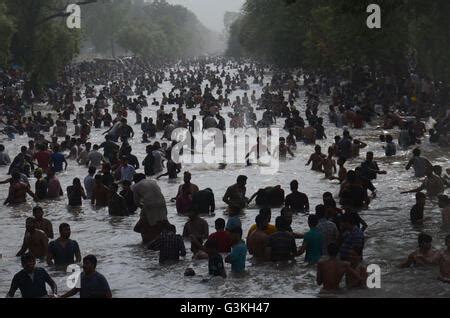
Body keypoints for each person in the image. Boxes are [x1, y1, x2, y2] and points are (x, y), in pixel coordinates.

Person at [132, 174, 168, 243]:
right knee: (162, 221)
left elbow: (136, 202)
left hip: (149, 204)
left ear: (135, 180)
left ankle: (149, 240)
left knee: (146, 223)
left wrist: (143, 208)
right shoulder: (153, 181)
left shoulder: (136, 186)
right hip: (162, 203)